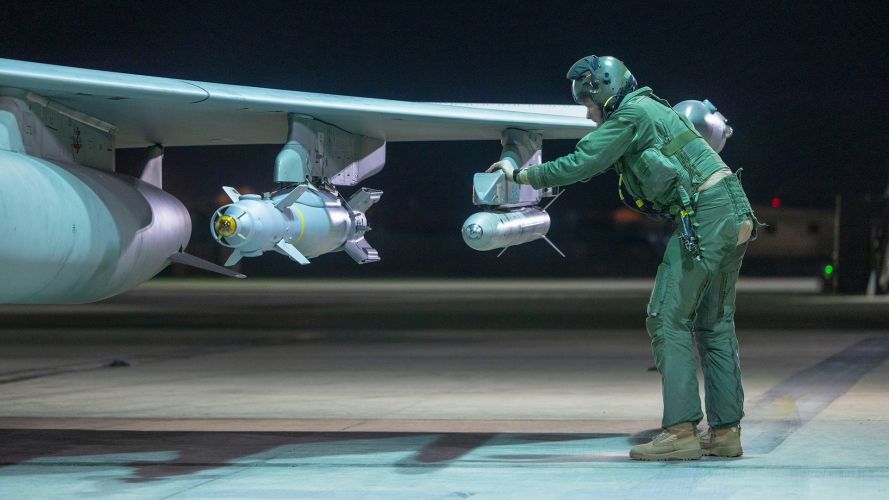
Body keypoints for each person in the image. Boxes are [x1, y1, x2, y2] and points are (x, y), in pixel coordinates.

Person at [487, 55, 758, 461]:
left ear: (603, 91)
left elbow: (582, 162)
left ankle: (681, 432)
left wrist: (521, 176)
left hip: (707, 213)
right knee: (714, 323)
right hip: (734, 208)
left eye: (588, 104)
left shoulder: (631, 114)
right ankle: (725, 433)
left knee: (667, 317)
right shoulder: (652, 109)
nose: (589, 113)